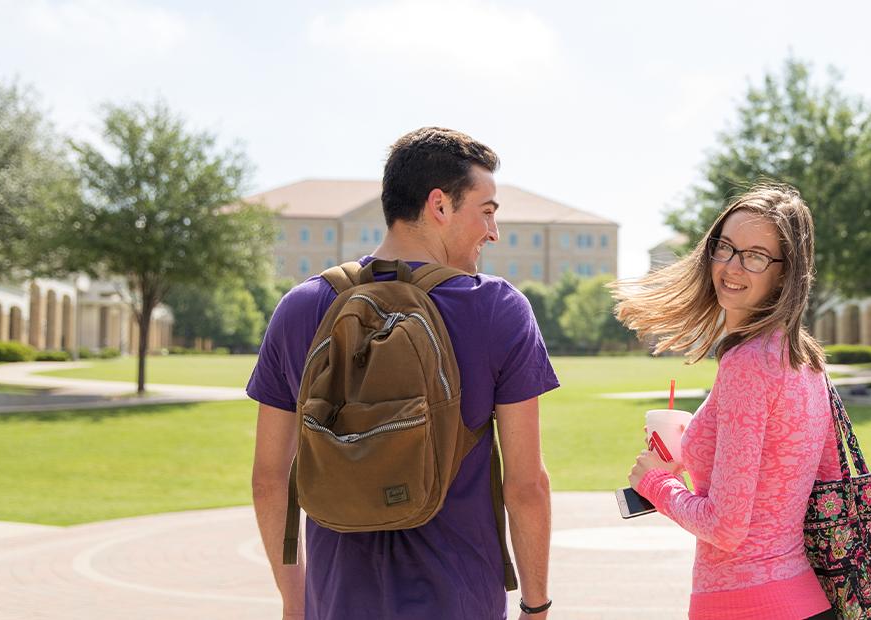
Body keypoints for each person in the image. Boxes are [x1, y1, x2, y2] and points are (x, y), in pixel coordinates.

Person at [248, 127, 558, 619]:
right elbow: (526, 487)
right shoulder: (497, 308)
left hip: (337, 601)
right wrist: (536, 607)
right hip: (460, 600)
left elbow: (269, 479)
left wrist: (296, 602)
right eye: (487, 211)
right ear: (440, 205)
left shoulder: (301, 307)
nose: (493, 232)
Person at [616, 184, 838, 620]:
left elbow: (726, 527)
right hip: (808, 600)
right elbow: (806, 481)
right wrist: (693, 452)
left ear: (784, 272)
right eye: (726, 248)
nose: (733, 267)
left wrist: (657, 485)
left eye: (756, 256)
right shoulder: (807, 358)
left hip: (746, 604)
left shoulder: (748, 363)